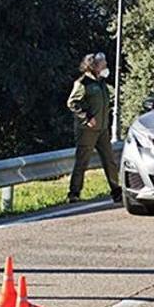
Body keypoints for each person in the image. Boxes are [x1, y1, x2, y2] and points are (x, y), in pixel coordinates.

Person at [67, 52, 122, 204]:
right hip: (87, 130)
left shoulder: (101, 82)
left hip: (102, 129)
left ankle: (116, 190)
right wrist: (87, 118)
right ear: (94, 65)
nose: (105, 65)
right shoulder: (83, 83)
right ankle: (74, 193)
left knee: (109, 160)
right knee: (82, 161)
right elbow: (72, 103)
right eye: (102, 62)